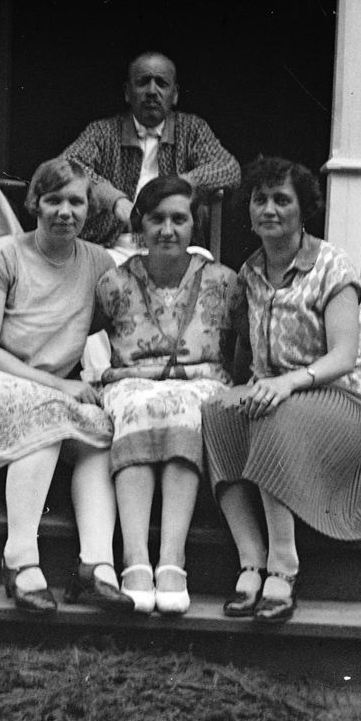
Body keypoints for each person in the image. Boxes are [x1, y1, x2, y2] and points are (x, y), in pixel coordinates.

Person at [202, 158, 361, 624]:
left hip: (344, 397)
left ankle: (283, 566)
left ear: (303, 209)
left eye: (282, 200)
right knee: (217, 412)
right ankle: (250, 558)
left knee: (272, 412)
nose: (269, 209)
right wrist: (242, 387)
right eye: (259, 199)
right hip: (280, 393)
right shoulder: (250, 272)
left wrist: (285, 383)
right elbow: (244, 350)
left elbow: (344, 356)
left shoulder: (332, 265)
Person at [0, 158, 133, 615]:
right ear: (35, 203)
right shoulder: (2, 255)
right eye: (53, 200)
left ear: (88, 208)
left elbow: (117, 319)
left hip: (40, 386)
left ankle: (96, 565)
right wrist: (58, 383)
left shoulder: (97, 262)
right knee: (46, 415)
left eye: (75, 201)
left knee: (99, 433)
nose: (65, 211)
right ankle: (19, 559)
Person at [95, 177, 243, 615]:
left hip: (202, 381)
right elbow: (71, 330)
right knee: (137, 407)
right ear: (140, 224)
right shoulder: (114, 282)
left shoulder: (224, 281)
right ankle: (135, 558)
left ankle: (172, 559)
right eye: (156, 219)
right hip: (131, 382)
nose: (167, 230)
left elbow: (257, 338)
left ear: (194, 224)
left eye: (179, 219)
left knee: (187, 409)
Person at [61, 51, 241, 246]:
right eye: (143, 82)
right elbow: (66, 165)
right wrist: (113, 199)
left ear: (175, 94)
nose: (152, 91)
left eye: (161, 84)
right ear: (127, 92)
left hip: (175, 247)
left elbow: (228, 168)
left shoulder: (192, 129)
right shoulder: (102, 131)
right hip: (110, 247)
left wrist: (179, 185)